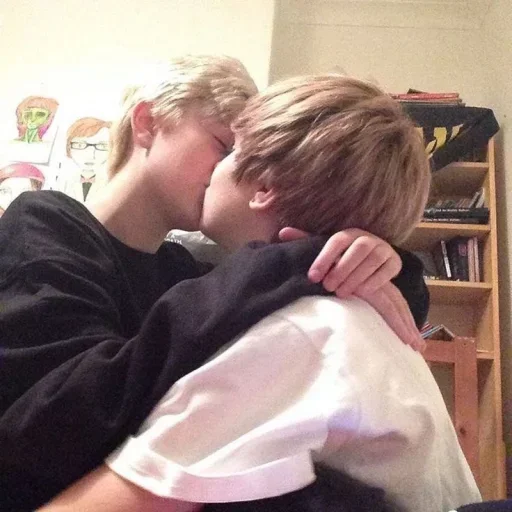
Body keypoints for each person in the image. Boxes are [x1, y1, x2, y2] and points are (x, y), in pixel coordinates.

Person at [0, 56, 426, 511]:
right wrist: (295, 261)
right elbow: (51, 424)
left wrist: (378, 261)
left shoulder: (189, 269)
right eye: (224, 146)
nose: (232, 170)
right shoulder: (44, 224)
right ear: (147, 123)